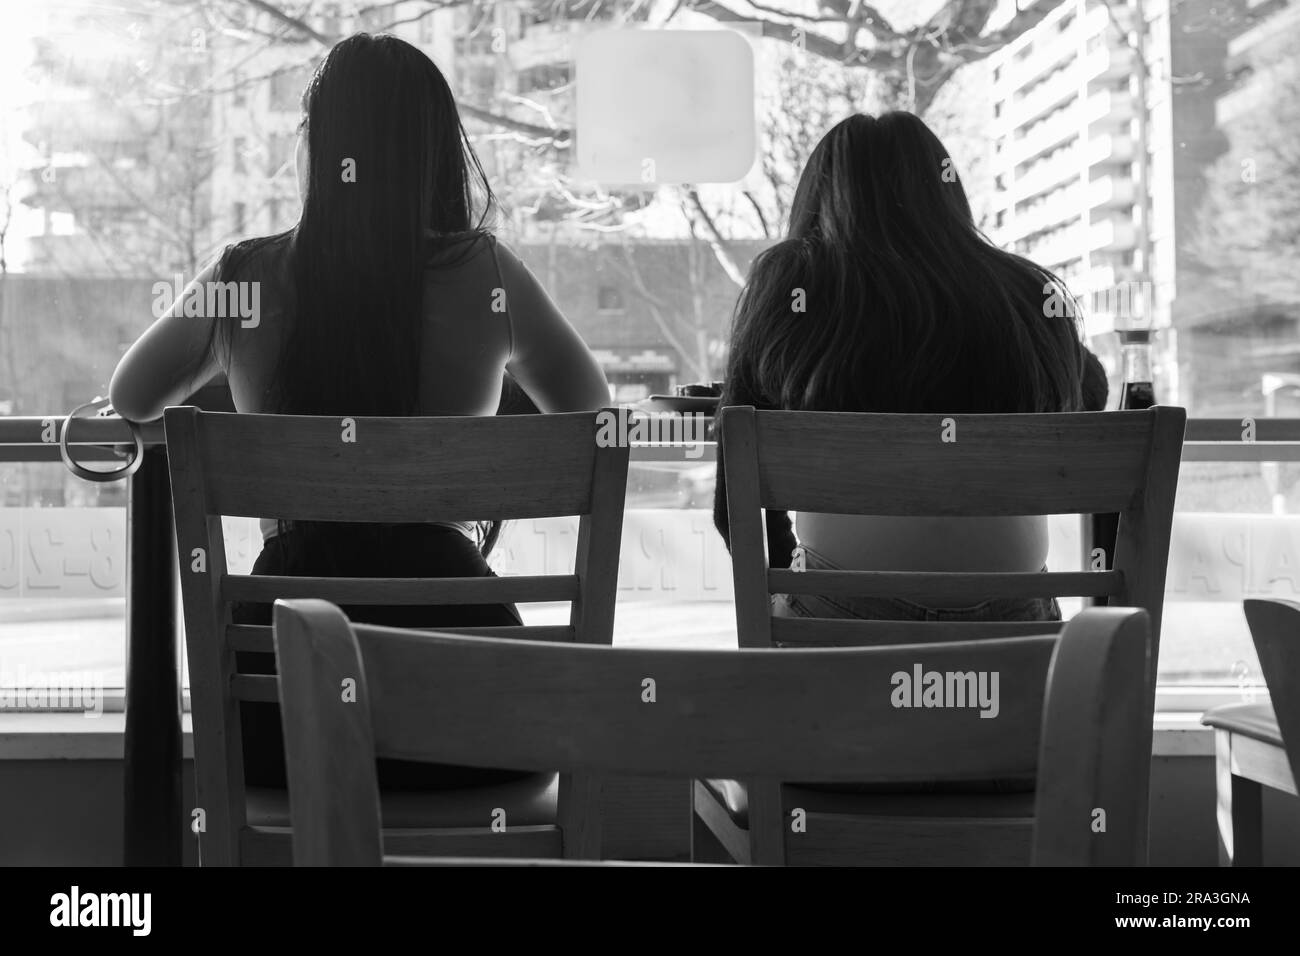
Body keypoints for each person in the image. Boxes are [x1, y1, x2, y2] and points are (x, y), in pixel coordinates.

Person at [110, 34, 610, 788]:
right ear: (438, 149)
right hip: (470, 711)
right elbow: (590, 416)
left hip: (279, 712)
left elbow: (132, 398)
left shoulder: (244, 279)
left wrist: (235, 386)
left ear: (321, 146)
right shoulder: (486, 275)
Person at [713, 111, 1109, 626]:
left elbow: (735, 495)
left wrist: (789, 578)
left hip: (840, 611)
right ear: (948, 192)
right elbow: (1089, 397)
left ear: (817, 198)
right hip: (1016, 614)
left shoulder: (791, 288)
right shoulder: (1023, 292)